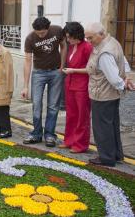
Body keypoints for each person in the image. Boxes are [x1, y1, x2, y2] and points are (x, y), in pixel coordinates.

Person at [85, 23, 134, 167]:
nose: (89, 41)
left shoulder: (104, 52)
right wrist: (126, 79)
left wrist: (123, 84)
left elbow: (112, 77)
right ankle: (116, 154)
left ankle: (106, 157)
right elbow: (124, 62)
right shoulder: (113, 42)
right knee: (112, 124)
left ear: (101, 34)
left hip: (102, 94)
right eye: (87, 38)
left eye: (91, 38)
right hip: (111, 94)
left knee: (102, 127)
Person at [21, 17, 66, 147]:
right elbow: (28, 61)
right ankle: (36, 133)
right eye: (38, 33)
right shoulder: (30, 39)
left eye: (43, 33)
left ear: (48, 28)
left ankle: (50, 135)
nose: (40, 35)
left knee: (53, 105)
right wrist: (25, 86)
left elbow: (63, 46)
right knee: (37, 104)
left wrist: (62, 66)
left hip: (55, 72)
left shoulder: (57, 30)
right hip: (39, 73)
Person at [60, 22, 93, 153]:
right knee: (71, 114)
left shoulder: (87, 47)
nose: (67, 40)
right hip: (70, 84)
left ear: (76, 35)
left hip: (82, 86)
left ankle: (80, 144)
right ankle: (69, 140)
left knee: (82, 116)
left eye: (69, 37)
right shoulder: (72, 46)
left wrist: (73, 70)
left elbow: (92, 69)